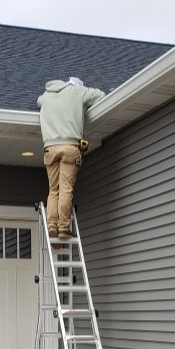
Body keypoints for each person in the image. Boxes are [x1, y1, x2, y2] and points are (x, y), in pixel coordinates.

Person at [38, 77, 106, 239]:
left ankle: (51, 224)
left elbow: (39, 101)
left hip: (50, 148)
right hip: (70, 147)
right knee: (66, 189)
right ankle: (63, 227)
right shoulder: (77, 91)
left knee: (53, 189)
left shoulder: (46, 95)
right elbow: (100, 95)